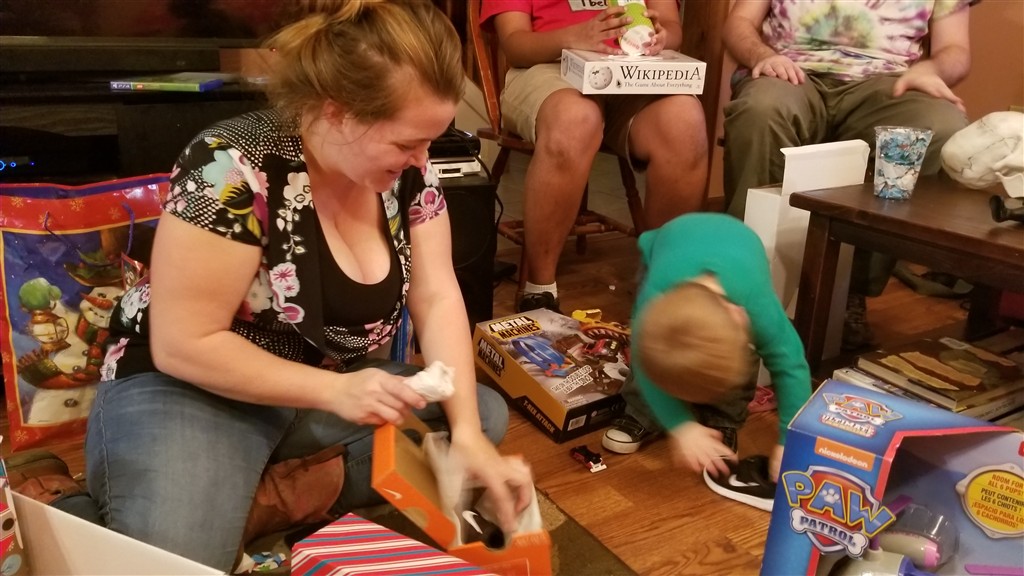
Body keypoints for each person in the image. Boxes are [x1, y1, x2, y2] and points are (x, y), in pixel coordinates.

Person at [10, 1, 533, 571]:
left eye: (431, 140)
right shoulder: (230, 167)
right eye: (408, 142)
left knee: (477, 416)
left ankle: (240, 504)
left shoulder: (410, 175)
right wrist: (335, 392)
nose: (422, 159)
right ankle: (71, 504)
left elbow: (437, 295)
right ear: (337, 112)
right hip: (190, 386)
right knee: (171, 566)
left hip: (307, 392)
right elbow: (183, 345)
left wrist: (467, 436)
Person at [721, 0, 976, 350]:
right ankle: (744, 281)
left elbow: (955, 49)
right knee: (760, 111)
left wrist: (932, 69)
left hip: (888, 83)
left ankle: (848, 291)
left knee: (941, 128)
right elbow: (738, 22)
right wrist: (761, 55)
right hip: (789, 71)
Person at [479, 0, 708, 313]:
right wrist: (573, 36)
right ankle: (541, 289)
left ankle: (663, 287)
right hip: (547, 66)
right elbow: (515, 45)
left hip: (634, 70)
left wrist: (663, 36)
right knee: (576, 118)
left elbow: (671, 25)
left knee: (685, 122)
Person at [613, 213, 812, 485]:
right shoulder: (652, 303)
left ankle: (723, 418)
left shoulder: (758, 306)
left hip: (739, 245)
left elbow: (791, 367)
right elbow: (645, 361)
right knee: (655, 354)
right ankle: (641, 411)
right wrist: (681, 426)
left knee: (735, 364)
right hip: (667, 243)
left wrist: (790, 441)